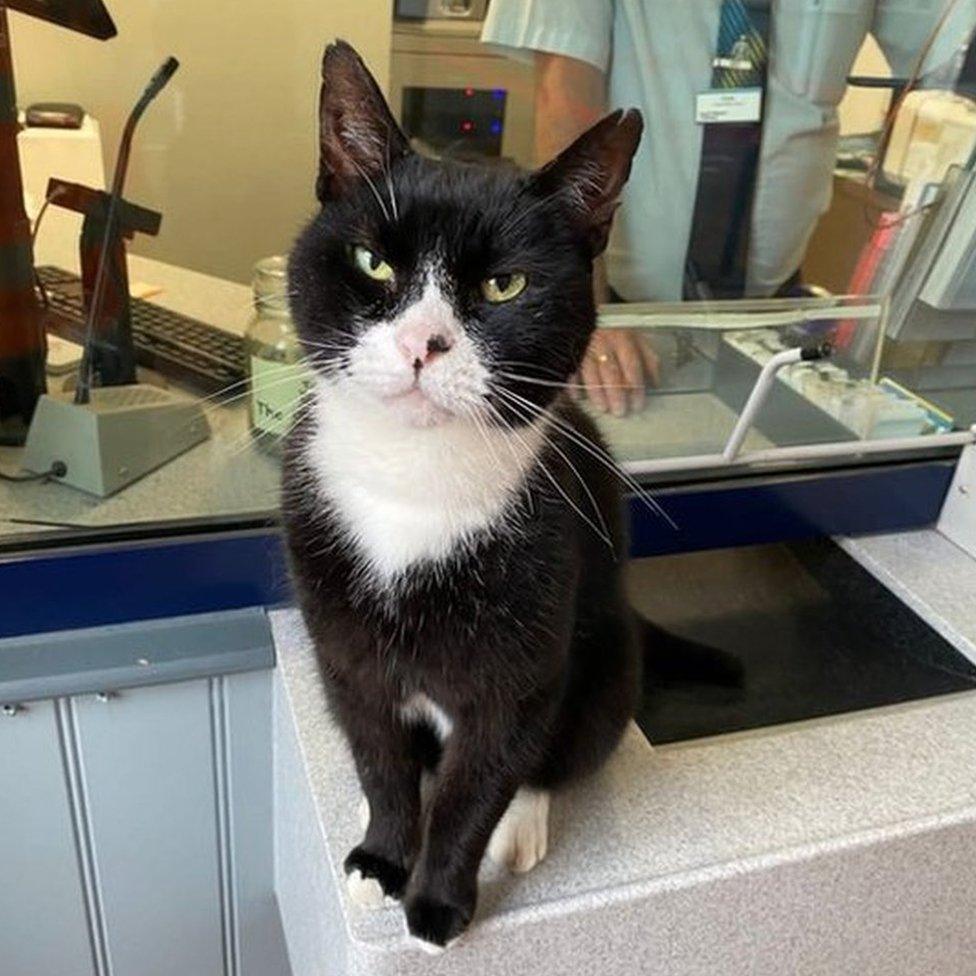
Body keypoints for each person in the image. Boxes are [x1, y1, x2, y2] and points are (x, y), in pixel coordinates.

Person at [482, 0, 976, 415]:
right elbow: (567, 99)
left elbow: (955, 45)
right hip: (618, 315)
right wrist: (584, 310)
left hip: (776, 312)